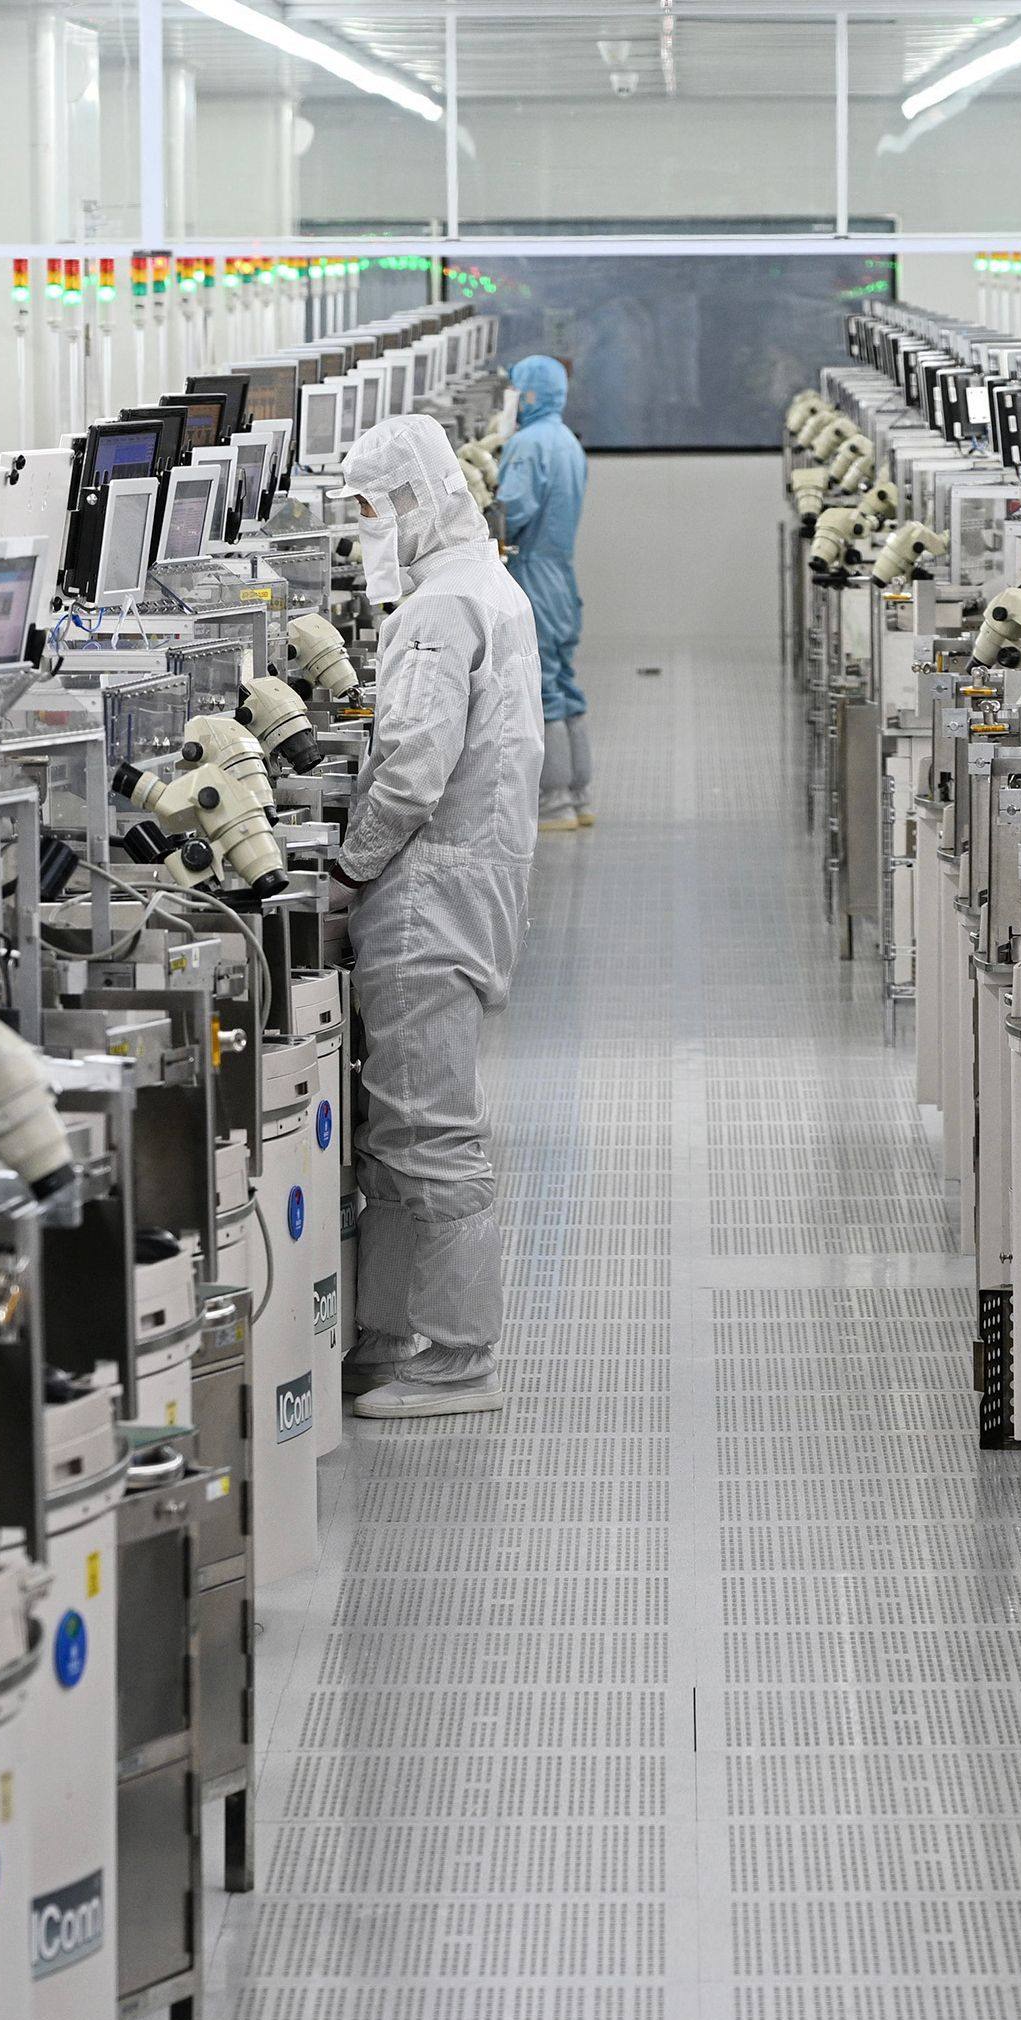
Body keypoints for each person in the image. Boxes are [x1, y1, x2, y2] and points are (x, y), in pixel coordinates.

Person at [329, 411, 544, 1420]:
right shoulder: (485, 585)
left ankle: (459, 1356)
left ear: (409, 499)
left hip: (423, 900)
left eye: (367, 508)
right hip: (470, 888)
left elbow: (411, 770)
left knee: (426, 1132)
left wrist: (343, 866)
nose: (362, 528)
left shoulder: (435, 611)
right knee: (399, 1130)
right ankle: (380, 1333)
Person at [496, 354, 591, 831]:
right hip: (560, 579)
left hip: (532, 576)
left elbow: (509, 512)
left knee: (544, 691)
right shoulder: (566, 441)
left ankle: (554, 803)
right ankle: (580, 794)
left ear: (528, 394)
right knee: (566, 686)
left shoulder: (528, 445)